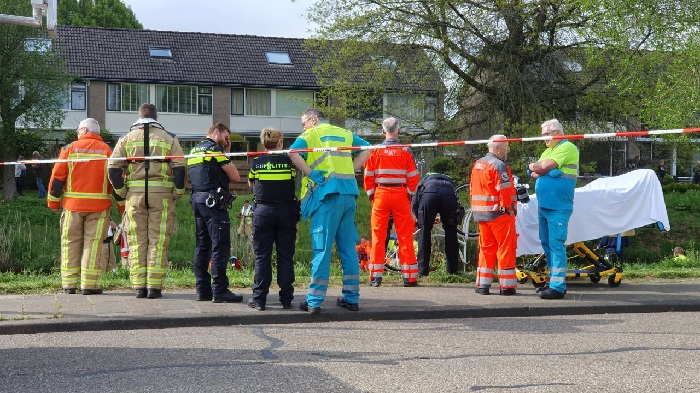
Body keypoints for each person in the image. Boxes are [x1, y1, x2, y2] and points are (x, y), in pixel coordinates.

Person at [288, 108, 371, 314]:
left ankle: (314, 301)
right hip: (349, 195)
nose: (303, 127)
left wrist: (309, 173)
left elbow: (292, 152)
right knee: (348, 250)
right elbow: (369, 148)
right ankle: (352, 298)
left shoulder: (312, 134)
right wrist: (352, 169)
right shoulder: (343, 133)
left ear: (313, 120)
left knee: (322, 250)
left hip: (327, 197)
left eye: (303, 123)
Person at [108, 103, 186, 299]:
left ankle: (139, 287)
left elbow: (113, 168)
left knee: (136, 240)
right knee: (158, 241)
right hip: (162, 196)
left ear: (138, 117)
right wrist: (178, 192)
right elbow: (179, 168)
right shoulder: (170, 138)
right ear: (156, 118)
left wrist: (122, 192)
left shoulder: (126, 138)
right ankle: (154, 287)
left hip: (135, 196)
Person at [47, 118, 119, 295]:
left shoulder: (69, 149)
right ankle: (89, 285)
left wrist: (53, 202)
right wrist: (122, 206)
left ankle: (69, 285)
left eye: (79, 130)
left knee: (70, 243)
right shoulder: (108, 151)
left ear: (85, 130)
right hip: (99, 208)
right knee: (93, 245)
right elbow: (116, 178)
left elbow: (57, 177)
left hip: (72, 207)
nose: (78, 133)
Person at [187, 123, 243, 303]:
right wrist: (226, 149)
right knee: (221, 245)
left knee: (202, 246)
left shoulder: (194, 150)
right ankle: (220, 290)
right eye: (226, 137)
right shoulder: (215, 150)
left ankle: (202, 290)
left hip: (197, 199)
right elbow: (235, 177)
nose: (227, 141)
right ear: (216, 132)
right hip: (213, 202)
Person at [364, 117, 420, 287]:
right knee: (405, 235)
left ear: (383, 131)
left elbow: (368, 177)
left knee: (378, 235)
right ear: (399, 130)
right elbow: (413, 178)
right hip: (401, 194)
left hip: (381, 194)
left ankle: (375, 276)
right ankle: (409, 277)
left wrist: (373, 196)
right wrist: (409, 195)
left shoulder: (375, 151)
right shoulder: (406, 151)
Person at [247, 128, 299, 311]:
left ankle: (259, 299)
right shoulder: (289, 161)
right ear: (280, 143)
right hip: (286, 212)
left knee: (262, 257)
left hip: (263, 213)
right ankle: (286, 300)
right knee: (286, 257)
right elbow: (293, 179)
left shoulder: (257, 162)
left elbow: (251, 183)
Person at [528, 118, 579, 300]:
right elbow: (534, 171)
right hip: (544, 205)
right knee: (547, 243)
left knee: (556, 244)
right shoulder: (548, 151)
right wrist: (538, 169)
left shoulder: (567, 147)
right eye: (542, 135)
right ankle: (553, 282)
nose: (544, 138)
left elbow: (542, 167)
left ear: (558, 133)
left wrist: (542, 169)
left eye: (547, 134)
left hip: (558, 206)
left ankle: (558, 286)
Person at [470, 135, 518, 296]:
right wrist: (510, 209)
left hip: (482, 214)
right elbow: (504, 190)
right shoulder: (499, 166)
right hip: (499, 214)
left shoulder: (478, 164)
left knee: (486, 249)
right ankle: (507, 286)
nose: (507, 151)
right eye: (506, 148)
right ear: (498, 148)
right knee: (505, 248)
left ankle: (482, 285)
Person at [412, 158, 461, 277]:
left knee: (424, 232)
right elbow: (457, 204)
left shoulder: (424, 180)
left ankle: (422, 271)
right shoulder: (449, 181)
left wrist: (420, 219)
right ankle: (453, 270)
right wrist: (449, 219)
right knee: (451, 231)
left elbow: (414, 202)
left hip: (429, 193)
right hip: (448, 195)